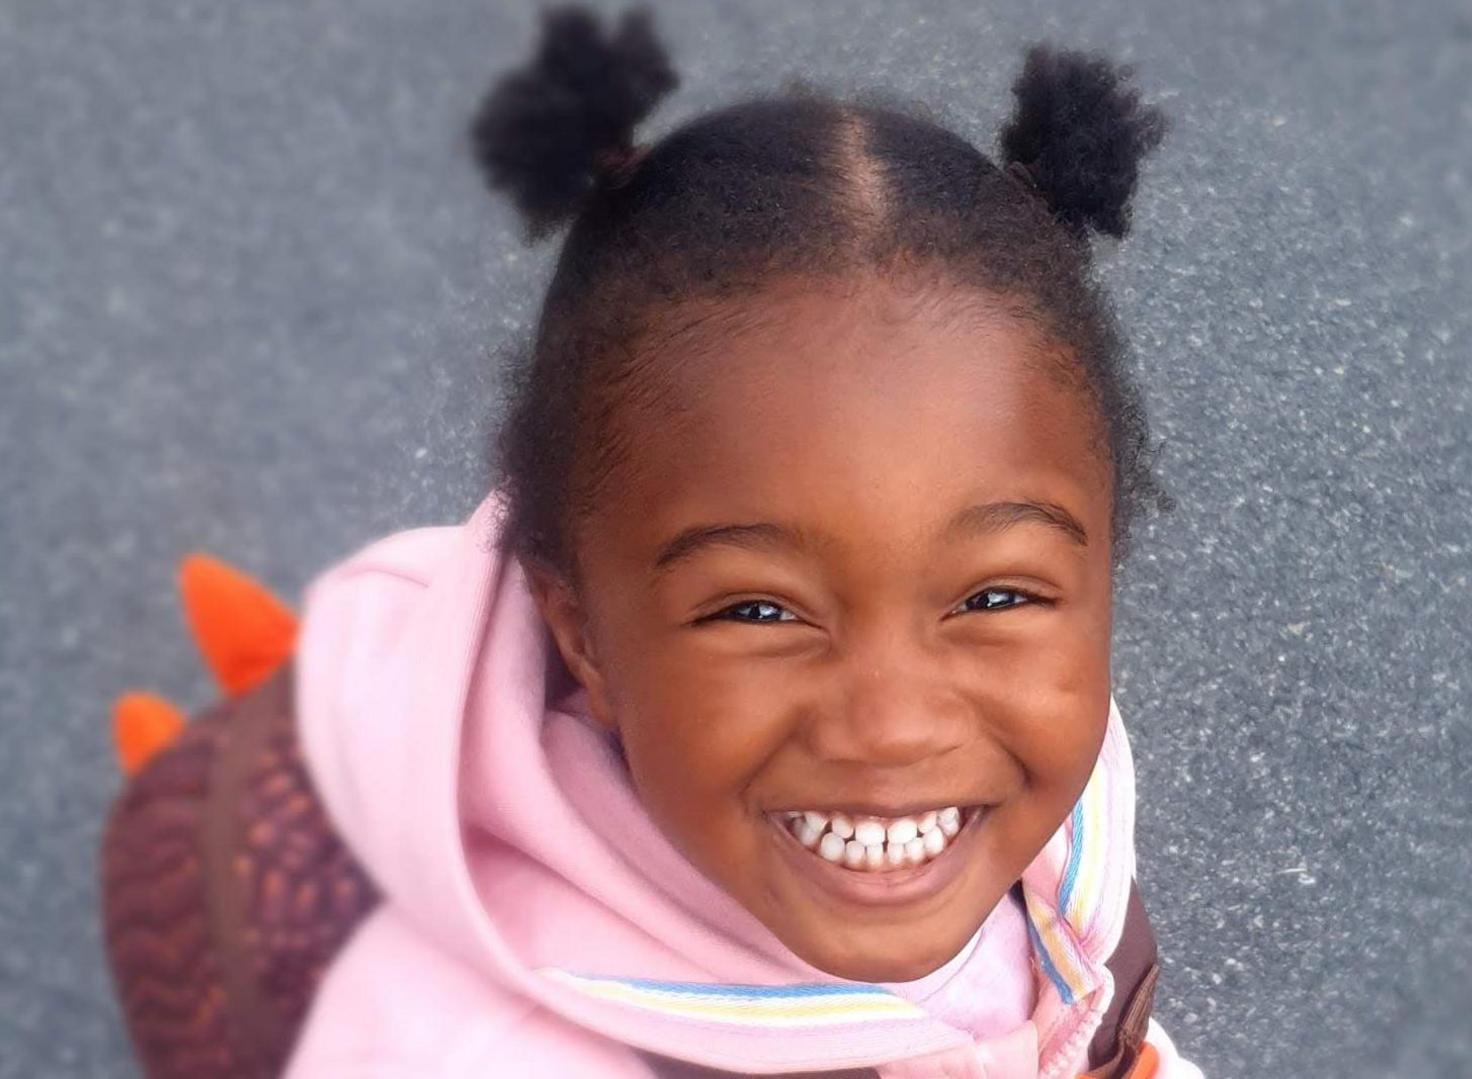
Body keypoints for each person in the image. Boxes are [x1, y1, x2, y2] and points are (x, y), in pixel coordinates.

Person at [101, 5, 1201, 1076]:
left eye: (996, 597)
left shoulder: (1040, 799)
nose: (895, 726)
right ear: (580, 635)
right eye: (760, 609)